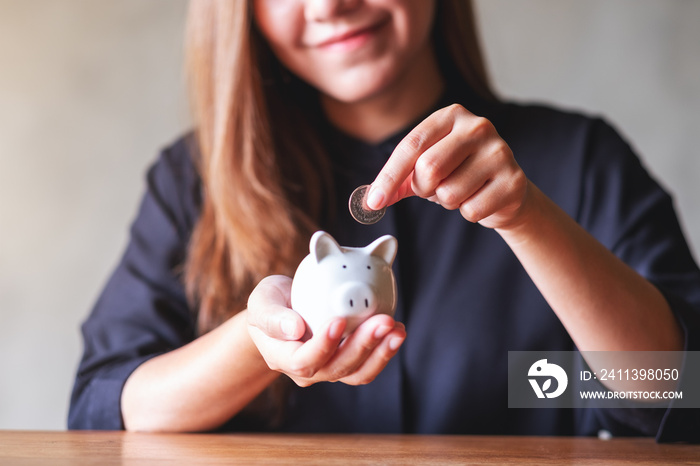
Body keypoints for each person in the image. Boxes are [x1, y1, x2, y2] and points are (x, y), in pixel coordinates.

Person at [69, 0, 700, 441]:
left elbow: (678, 390)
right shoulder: (197, 179)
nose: (330, 4)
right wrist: (259, 343)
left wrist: (524, 218)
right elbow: (105, 406)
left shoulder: (579, 161)